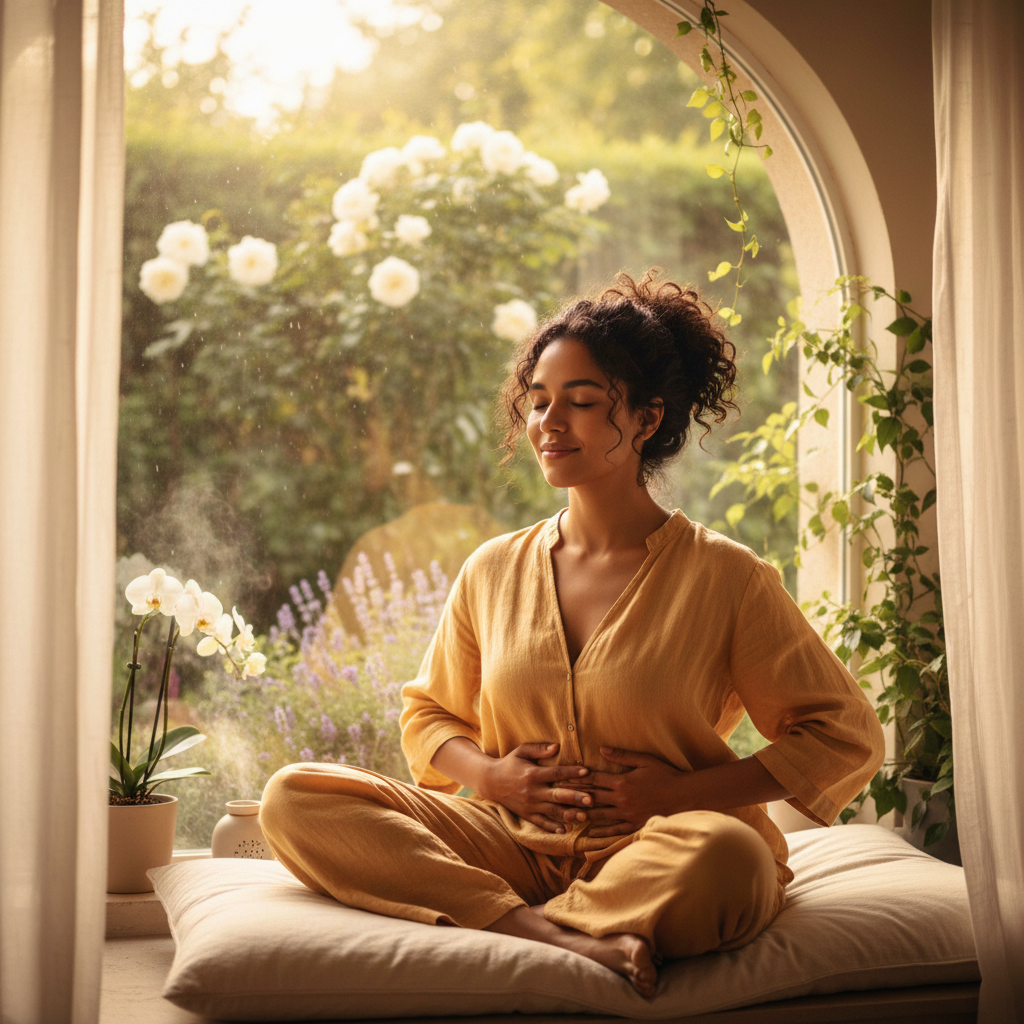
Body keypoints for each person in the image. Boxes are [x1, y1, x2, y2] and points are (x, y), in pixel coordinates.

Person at [260, 270, 886, 999]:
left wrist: (682, 792)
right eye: (538, 402)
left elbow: (843, 735)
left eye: (582, 403)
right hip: (506, 845)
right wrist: (492, 777)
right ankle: (541, 931)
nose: (548, 424)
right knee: (295, 798)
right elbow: (428, 717)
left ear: (647, 420)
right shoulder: (492, 570)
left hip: (660, 848)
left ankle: (543, 917)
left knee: (732, 860)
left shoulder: (727, 578)